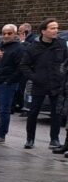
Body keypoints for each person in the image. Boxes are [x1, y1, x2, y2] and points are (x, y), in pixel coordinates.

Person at [20, 18, 67, 150]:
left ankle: (55, 139)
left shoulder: (61, 44)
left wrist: (63, 75)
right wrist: (34, 77)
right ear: (43, 31)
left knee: (56, 113)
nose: (56, 30)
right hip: (39, 85)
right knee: (33, 112)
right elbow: (24, 65)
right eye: (52, 28)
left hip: (57, 85)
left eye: (57, 28)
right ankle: (30, 139)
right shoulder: (33, 47)